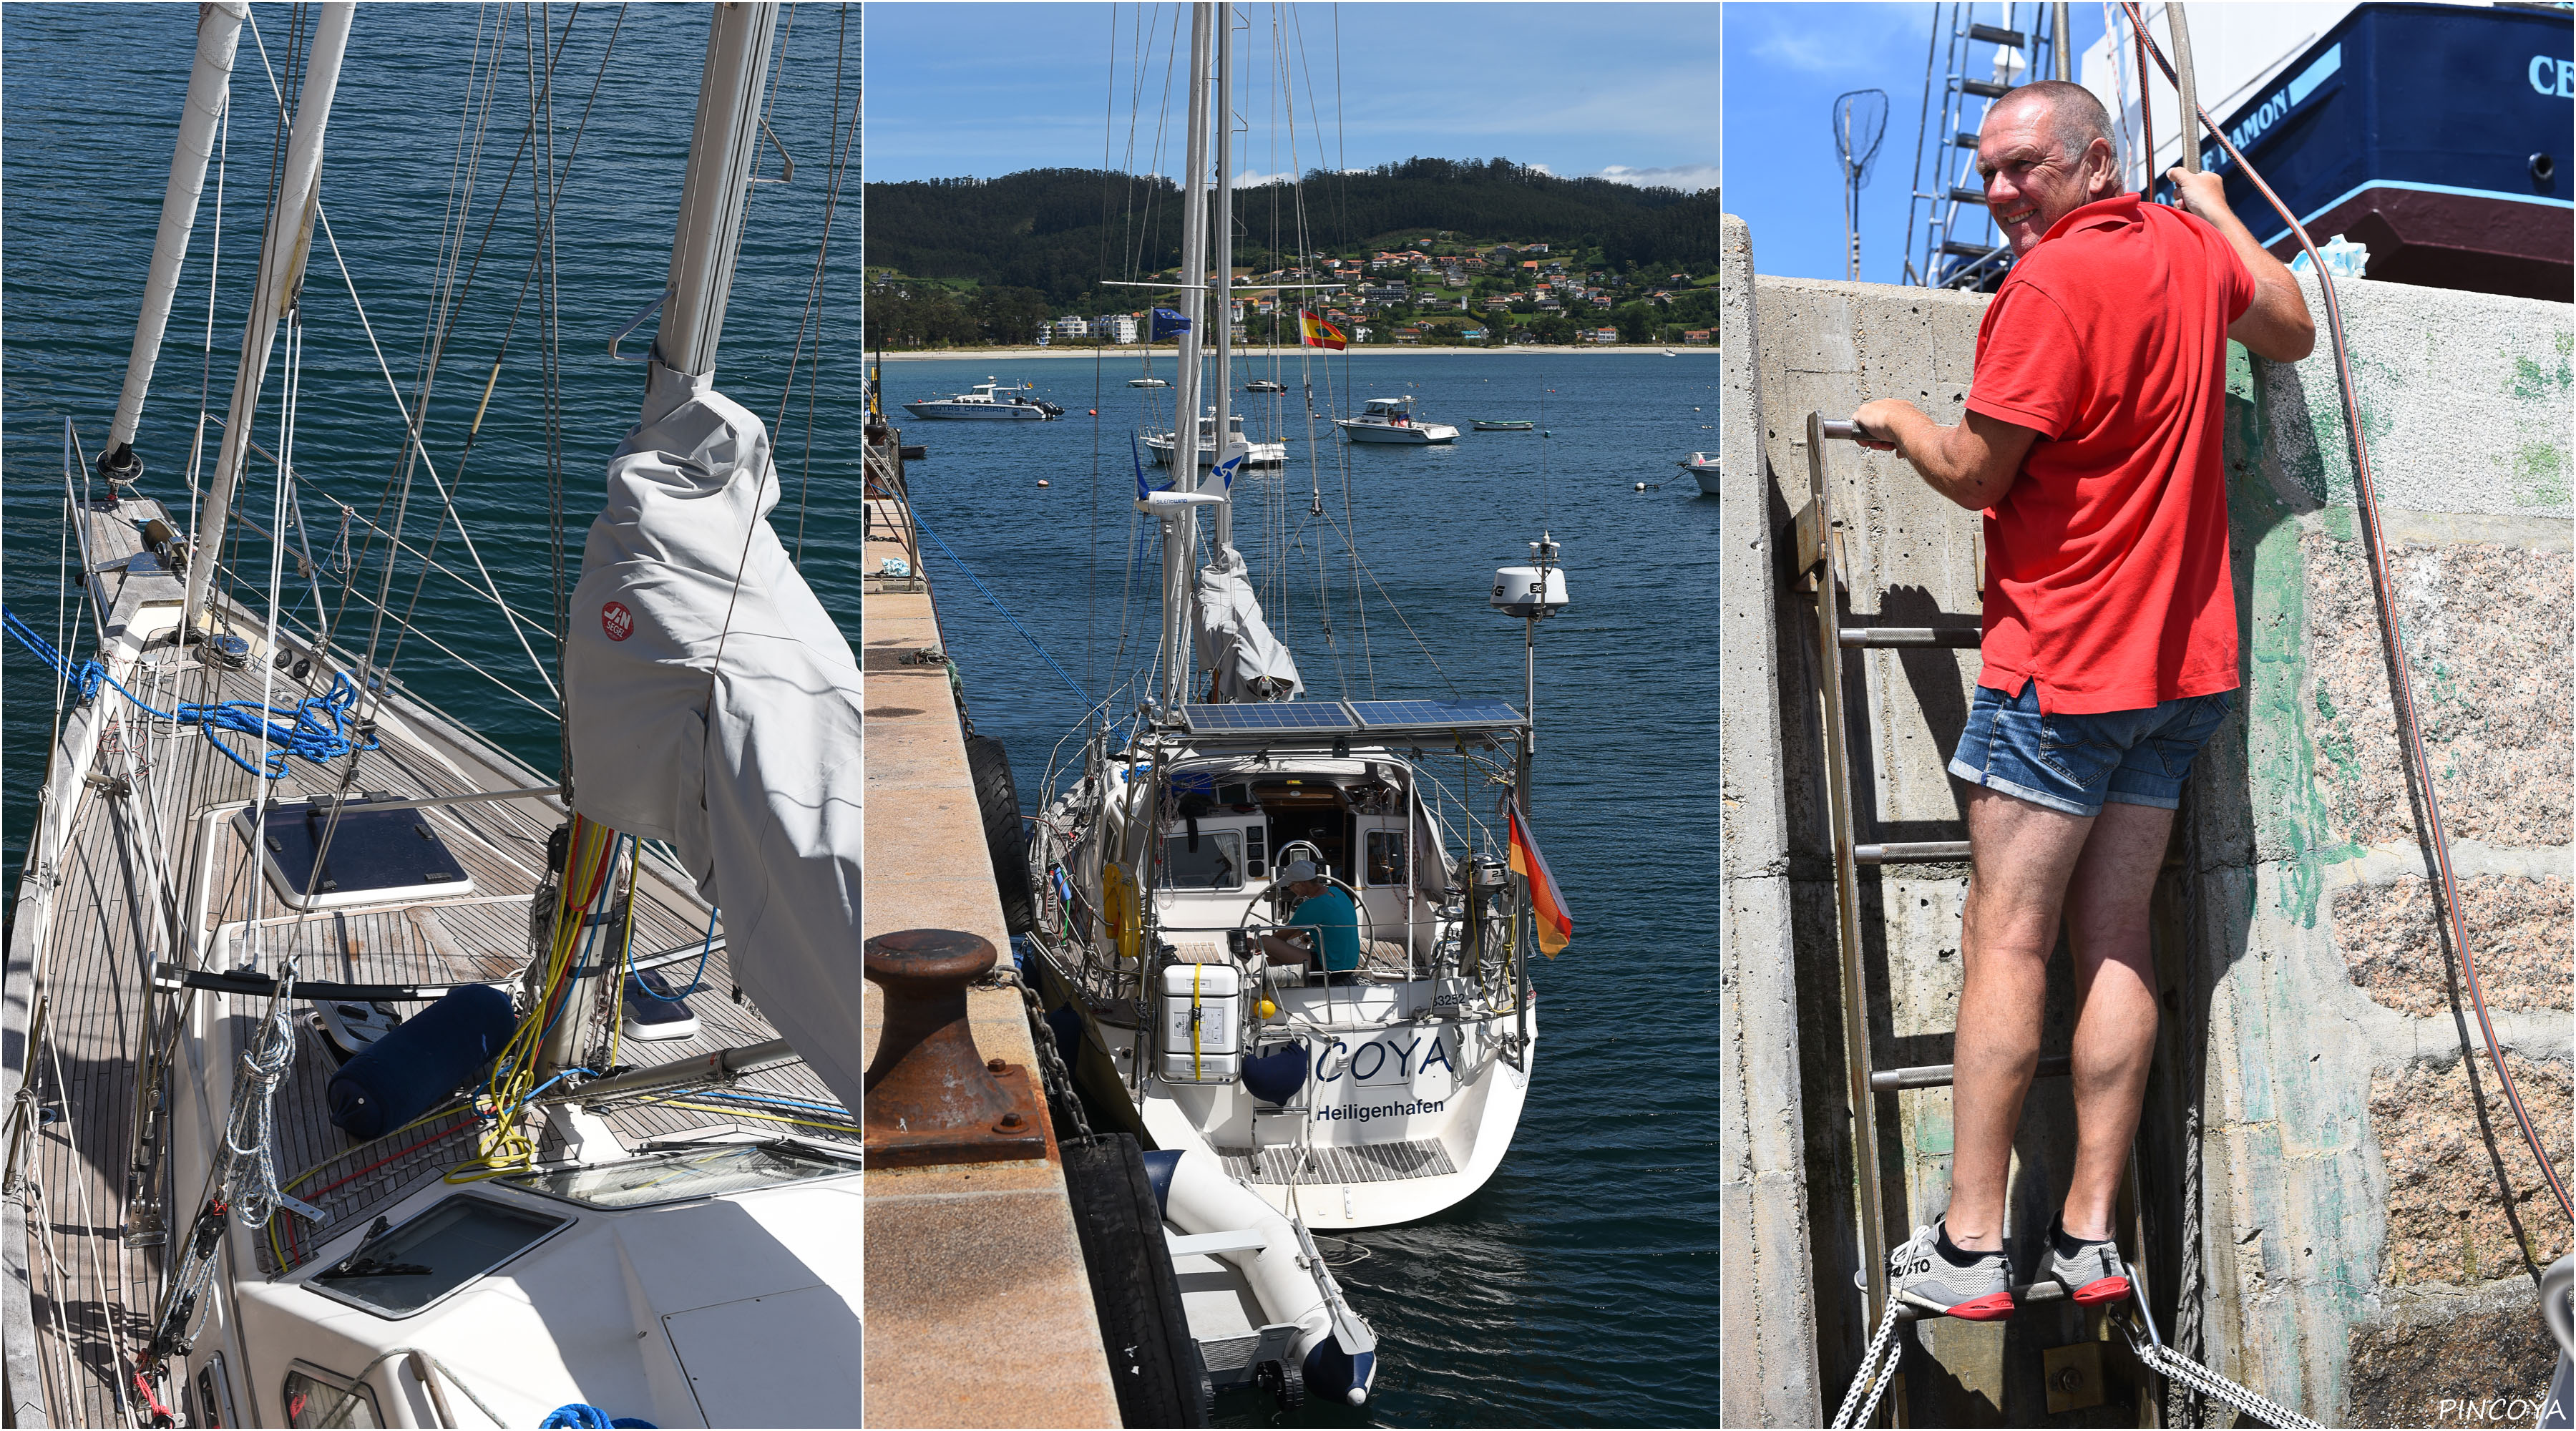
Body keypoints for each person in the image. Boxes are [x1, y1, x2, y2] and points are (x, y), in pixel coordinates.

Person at [1850, 79, 2314, 1322]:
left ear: (2096, 161)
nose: (2001, 194)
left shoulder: (2044, 289)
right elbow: (2289, 327)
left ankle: (1966, 1249)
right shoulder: (2182, 249)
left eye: (2025, 169)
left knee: (2009, 944)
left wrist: (1900, 419)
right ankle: (2092, 1242)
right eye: (1988, 173)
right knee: (2117, 945)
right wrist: (2216, 209)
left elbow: (1975, 472)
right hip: (2181, 679)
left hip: (2063, 677)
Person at [1254, 860, 1361, 981]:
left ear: (1302, 883)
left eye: (1290, 885)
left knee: (1265, 941)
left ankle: (1288, 992)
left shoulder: (1312, 905)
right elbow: (1297, 932)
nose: (1290, 890)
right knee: (1271, 960)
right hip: (1349, 965)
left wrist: (1255, 945)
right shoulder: (1337, 892)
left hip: (1330, 969)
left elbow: (1279, 938)